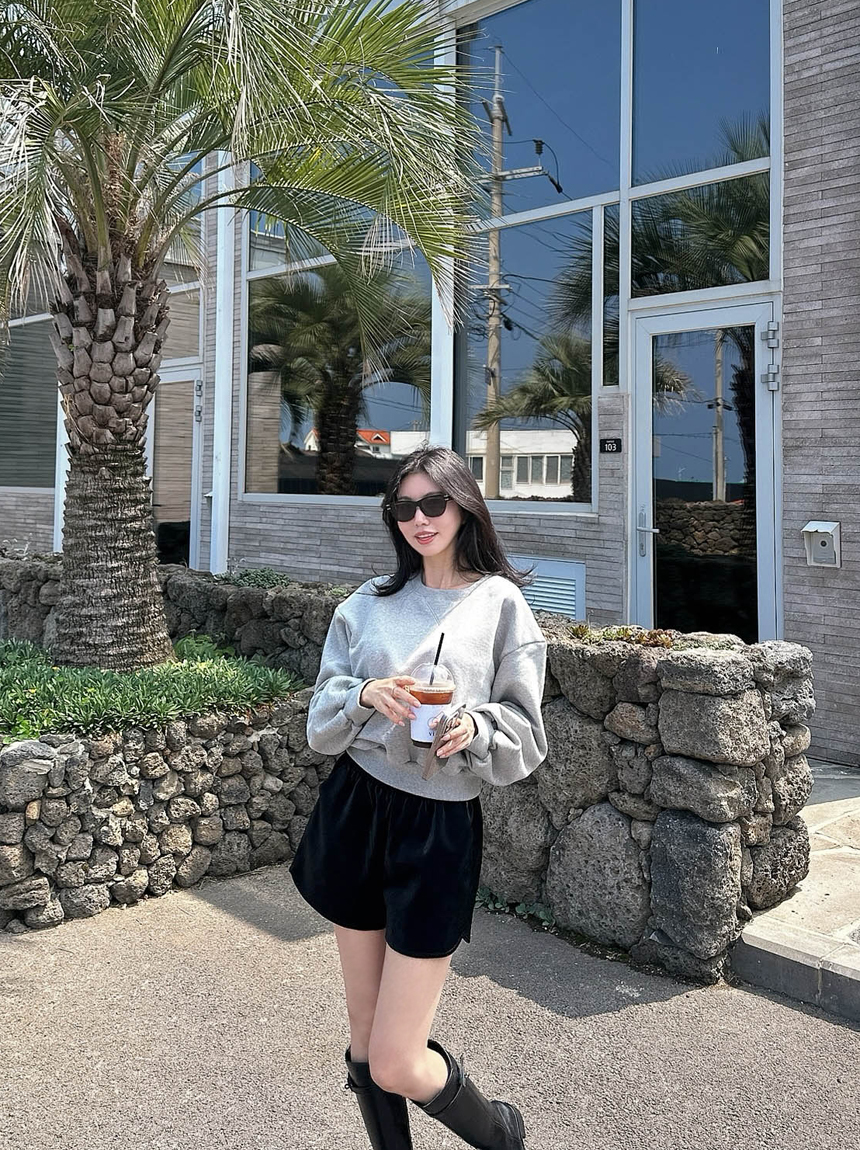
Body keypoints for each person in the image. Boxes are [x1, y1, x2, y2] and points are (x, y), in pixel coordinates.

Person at [289, 445, 548, 1150]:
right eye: (404, 506)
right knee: (365, 1040)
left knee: (399, 1059)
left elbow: (527, 734)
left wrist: (475, 727)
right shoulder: (367, 604)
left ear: (464, 506)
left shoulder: (500, 605)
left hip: (437, 828)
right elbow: (321, 722)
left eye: (434, 502)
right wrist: (365, 694)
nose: (420, 518)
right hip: (357, 808)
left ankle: (501, 1135)